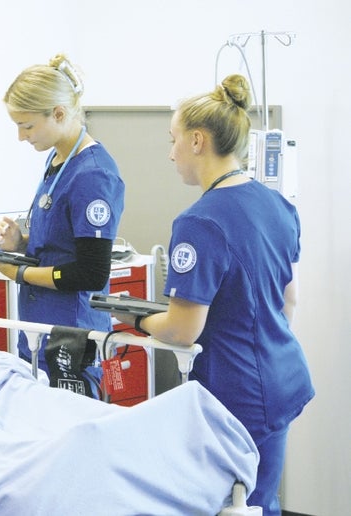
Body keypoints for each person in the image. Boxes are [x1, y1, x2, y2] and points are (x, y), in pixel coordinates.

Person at [114, 74, 314, 514]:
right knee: (261, 498)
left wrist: (137, 319)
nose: (171, 154)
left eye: (174, 140)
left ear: (198, 141)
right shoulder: (277, 204)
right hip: (283, 377)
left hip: (239, 394)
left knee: (233, 504)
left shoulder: (200, 222)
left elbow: (183, 331)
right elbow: (289, 300)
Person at [0, 53, 125, 375]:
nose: (21, 136)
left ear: (58, 113)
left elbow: (90, 272)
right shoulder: (57, 161)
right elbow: (59, 244)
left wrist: (17, 272)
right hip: (38, 328)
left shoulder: (93, 175)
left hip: (71, 333)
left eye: (27, 126)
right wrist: (21, 242)